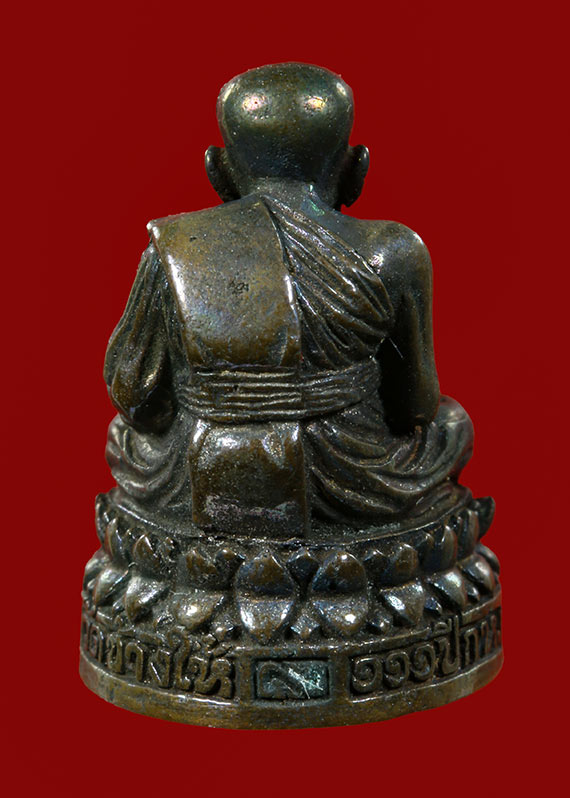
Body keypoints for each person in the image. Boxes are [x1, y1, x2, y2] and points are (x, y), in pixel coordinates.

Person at [103, 63, 473, 539]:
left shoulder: (175, 248)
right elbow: (416, 406)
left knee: (125, 438)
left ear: (217, 170)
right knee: (452, 424)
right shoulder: (393, 250)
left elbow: (135, 394)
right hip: (352, 474)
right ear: (357, 167)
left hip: (200, 469)